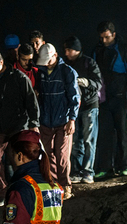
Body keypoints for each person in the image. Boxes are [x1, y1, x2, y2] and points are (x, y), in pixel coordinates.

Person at [0, 48, 40, 206]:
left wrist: (34, 123)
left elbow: (31, 102)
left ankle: (27, 193)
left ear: (1, 63)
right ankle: (4, 193)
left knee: (19, 160)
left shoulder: (18, 78)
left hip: (17, 126)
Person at [92, 20, 127, 177]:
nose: (104, 41)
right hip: (104, 99)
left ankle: (124, 165)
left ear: (113, 34)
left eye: (106, 37)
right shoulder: (97, 50)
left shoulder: (125, 49)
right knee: (104, 134)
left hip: (122, 98)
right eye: (101, 38)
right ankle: (104, 167)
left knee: (123, 134)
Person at [36, 43, 80, 199]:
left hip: (63, 121)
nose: (46, 63)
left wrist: (72, 119)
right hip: (45, 121)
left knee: (62, 156)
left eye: (48, 60)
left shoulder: (67, 72)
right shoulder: (40, 72)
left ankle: (66, 185)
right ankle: (54, 185)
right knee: (47, 155)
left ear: (55, 55)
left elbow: (75, 98)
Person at [64, 36, 102, 184]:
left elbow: (98, 83)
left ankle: (88, 171)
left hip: (89, 106)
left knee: (89, 140)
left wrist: (86, 82)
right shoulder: (66, 64)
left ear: (76, 49)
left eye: (68, 49)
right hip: (74, 107)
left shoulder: (89, 62)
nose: (66, 52)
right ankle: (77, 171)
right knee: (76, 141)